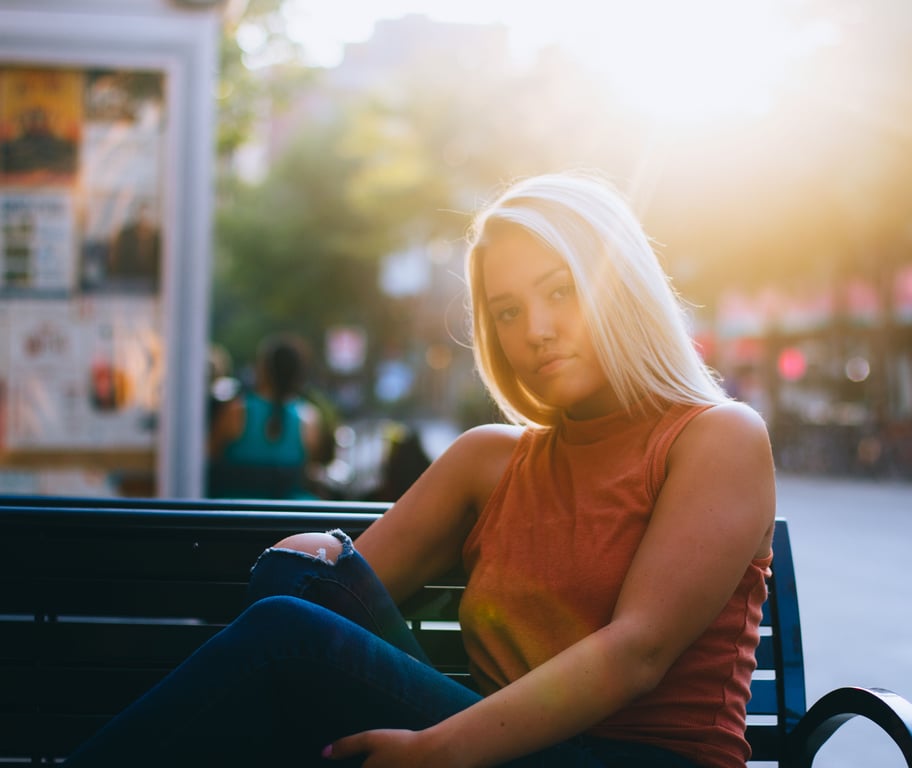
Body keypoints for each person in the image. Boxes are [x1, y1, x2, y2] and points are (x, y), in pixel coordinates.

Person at [64, 171, 776, 768]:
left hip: (635, 760)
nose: (534, 329)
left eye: (561, 292)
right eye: (506, 310)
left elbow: (637, 653)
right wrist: (324, 558)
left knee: (285, 629)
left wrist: (437, 750)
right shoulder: (488, 460)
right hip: (501, 751)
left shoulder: (717, 438)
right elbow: (329, 605)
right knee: (292, 583)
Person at [206, 333, 328, 499]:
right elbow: (308, 471)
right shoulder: (309, 419)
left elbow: (208, 457)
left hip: (235, 513)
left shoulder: (237, 411)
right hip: (289, 516)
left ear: (263, 369)